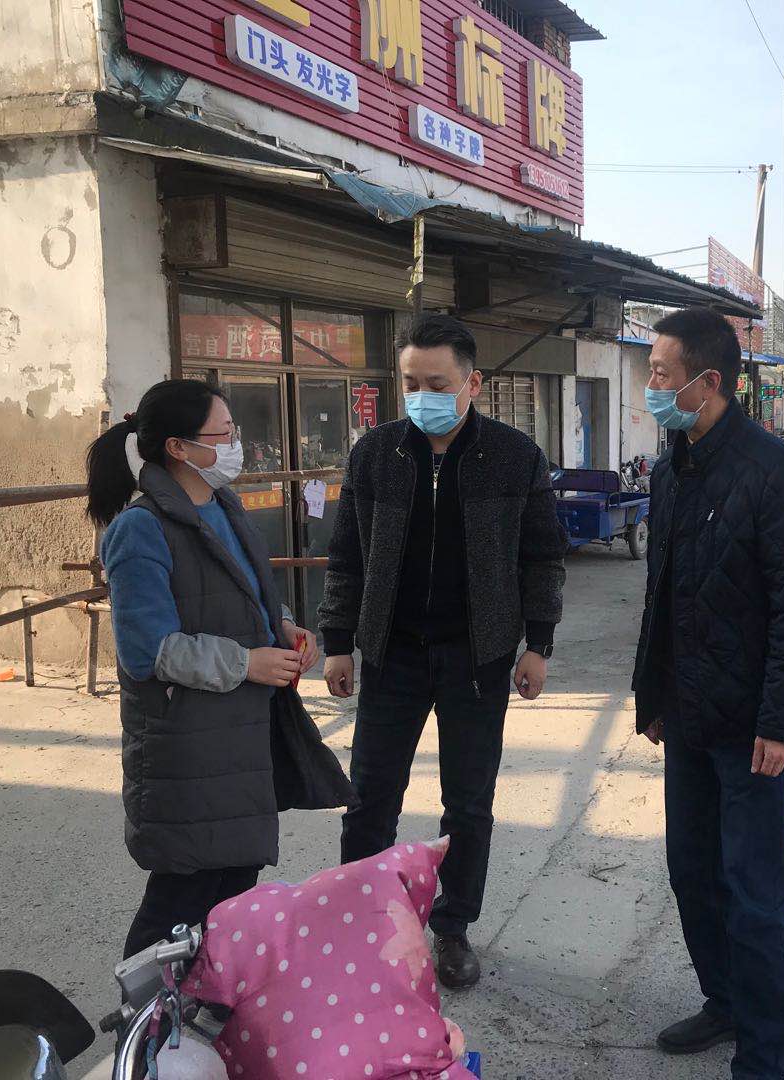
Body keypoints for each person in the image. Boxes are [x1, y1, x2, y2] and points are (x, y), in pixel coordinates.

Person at [318, 314, 567, 990]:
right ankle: (360, 924)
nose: (422, 395)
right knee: (370, 798)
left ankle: (452, 928)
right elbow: (346, 556)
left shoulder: (514, 456)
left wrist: (538, 643)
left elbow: (542, 558)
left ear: (472, 383)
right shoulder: (376, 454)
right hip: (392, 653)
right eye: (411, 383)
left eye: (437, 383)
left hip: (478, 658)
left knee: (468, 804)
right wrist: (337, 643)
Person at [88, 380, 352, 959]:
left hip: (241, 734)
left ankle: (203, 1000)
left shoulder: (224, 506)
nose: (237, 445)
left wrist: (285, 627)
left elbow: (248, 595)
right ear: (179, 448)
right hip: (189, 743)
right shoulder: (141, 528)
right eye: (225, 434)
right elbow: (148, 651)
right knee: (182, 896)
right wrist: (247, 663)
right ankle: (145, 1009)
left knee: (233, 888)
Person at [631, 308, 784, 1080]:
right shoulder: (670, 467)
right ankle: (725, 1003)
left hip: (751, 730)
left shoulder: (772, 470)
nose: (651, 385)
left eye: (660, 373)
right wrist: (652, 694)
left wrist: (781, 719)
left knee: (755, 895)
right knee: (693, 875)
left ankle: (764, 1052)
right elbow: (663, 592)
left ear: (708, 382)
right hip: (687, 718)